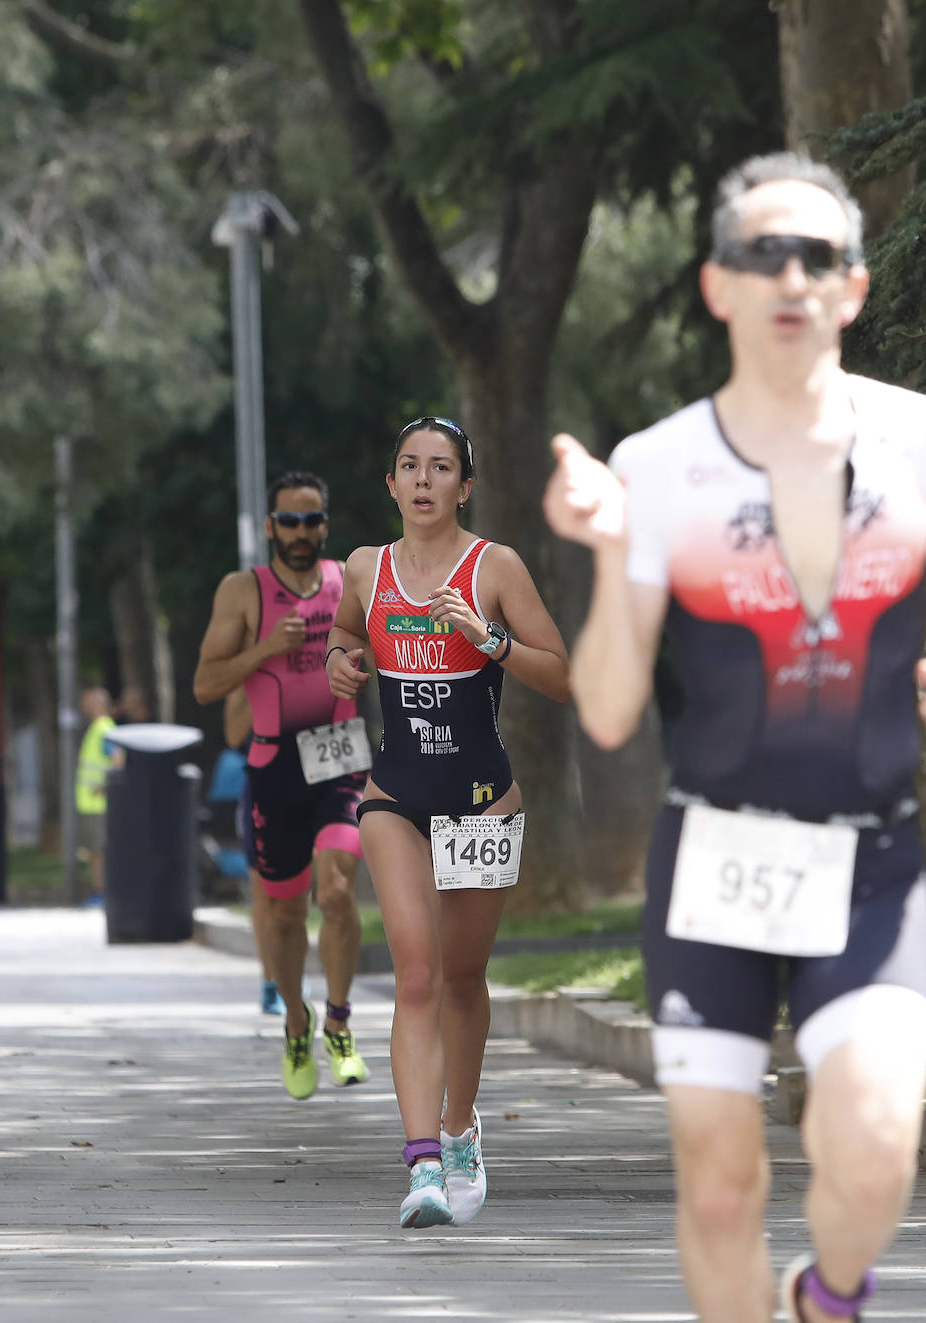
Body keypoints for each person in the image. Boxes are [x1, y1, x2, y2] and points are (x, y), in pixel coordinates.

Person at [544, 151, 926, 1323]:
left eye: (817, 255)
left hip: (870, 858)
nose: (790, 276)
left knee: (874, 1150)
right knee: (720, 1188)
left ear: (853, 289)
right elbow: (611, 711)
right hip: (712, 860)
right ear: (718, 285)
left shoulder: (925, 439)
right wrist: (614, 554)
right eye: (762, 252)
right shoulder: (658, 466)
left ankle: (828, 1296)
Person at [325, 416, 570, 1230]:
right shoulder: (367, 567)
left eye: (440, 468)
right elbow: (346, 631)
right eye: (409, 466)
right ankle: (422, 1161)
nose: (423, 480)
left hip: (480, 796)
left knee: (463, 978)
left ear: (465, 486)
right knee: (417, 971)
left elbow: (563, 675)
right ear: (390, 484)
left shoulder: (493, 565)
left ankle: (462, 1128)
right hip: (396, 791)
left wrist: (490, 639)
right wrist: (338, 657)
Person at [194, 470, 371, 1099]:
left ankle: (340, 1021)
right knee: (283, 909)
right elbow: (206, 685)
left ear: (326, 522)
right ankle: (296, 1019)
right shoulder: (244, 591)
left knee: (340, 887)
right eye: (290, 521)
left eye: (313, 519)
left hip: (339, 751)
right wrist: (266, 648)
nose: (303, 532)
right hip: (273, 764)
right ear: (270, 526)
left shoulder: (349, 577)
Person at [222, 686, 288, 1016]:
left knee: (307, 890)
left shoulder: (326, 647)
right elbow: (234, 736)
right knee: (264, 890)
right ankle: (271, 981)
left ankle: (294, 972)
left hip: (319, 781)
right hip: (264, 785)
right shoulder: (252, 665)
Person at [74, 686, 119, 908]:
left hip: (98, 803)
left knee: (99, 851)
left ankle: (103, 893)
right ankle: (99, 891)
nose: (83, 705)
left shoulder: (104, 729)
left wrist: (105, 786)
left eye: (87, 701)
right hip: (90, 803)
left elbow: (118, 758)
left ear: (97, 703)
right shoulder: (97, 728)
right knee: (92, 851)